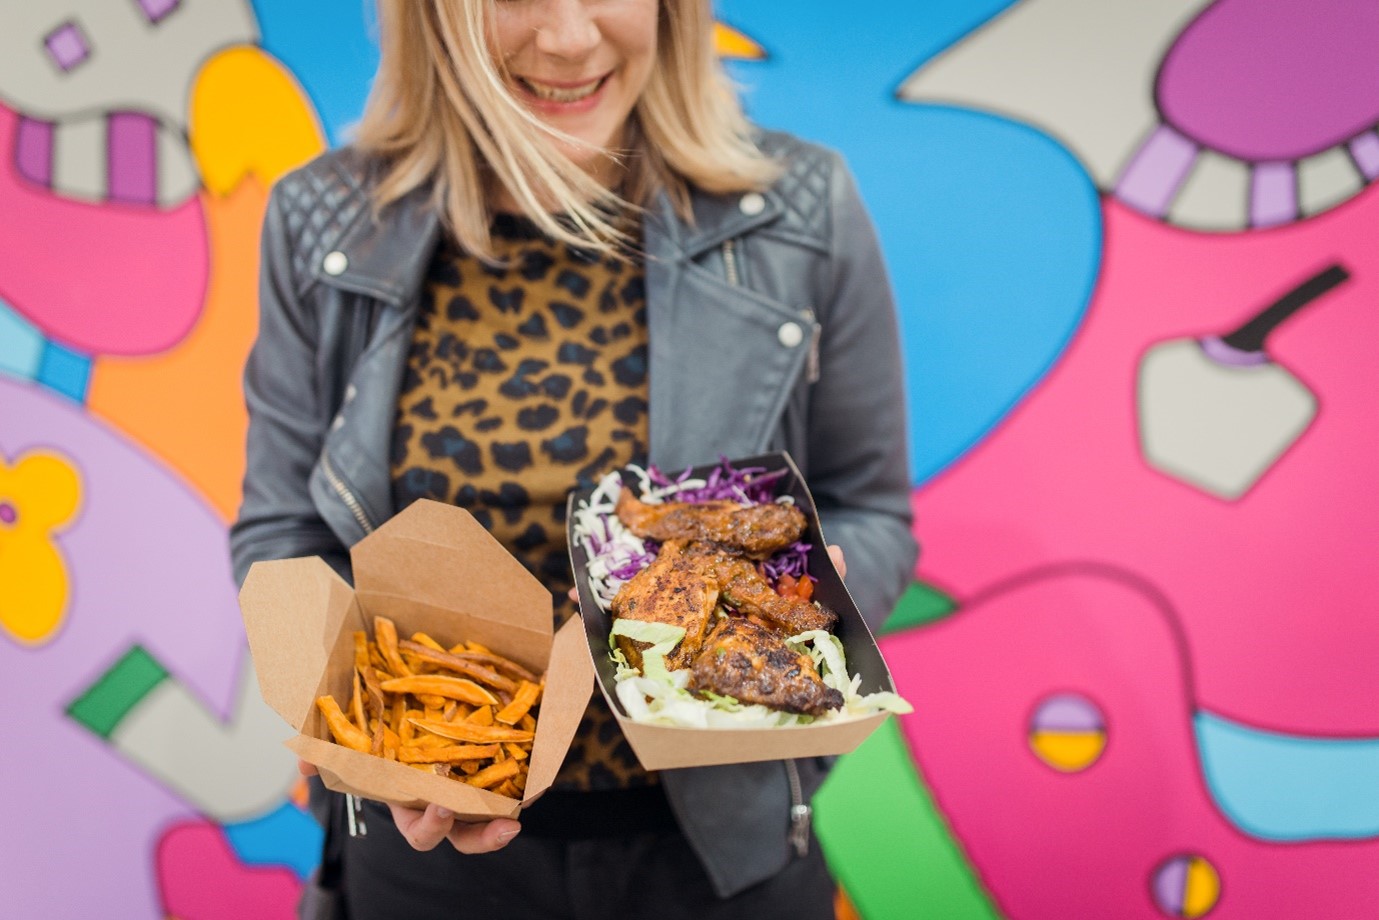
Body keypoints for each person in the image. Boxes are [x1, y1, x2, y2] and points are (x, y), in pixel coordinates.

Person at [230, 0, 916, 917]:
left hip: (719, 861)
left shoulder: (796, 206)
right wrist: (376, 736)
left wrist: (815, 594)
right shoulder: (324, 219)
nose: (566, 37)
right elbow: (283, 532)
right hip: (425, 867)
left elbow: (871, 507)